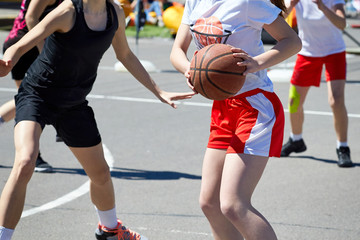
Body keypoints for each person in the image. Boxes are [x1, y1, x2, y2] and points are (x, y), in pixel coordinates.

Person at [0, 0, 194, 239]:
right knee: (25, 162)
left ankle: (110, 230)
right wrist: (8, 59)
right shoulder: (68, 12)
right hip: (38, 94)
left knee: (100, 174)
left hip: (73, 103)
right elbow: (22, 43)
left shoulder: (115, 14)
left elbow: (125, 55)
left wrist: (158, 90)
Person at [170, 0, 301, 239]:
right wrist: (191, 69)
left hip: (255, 106)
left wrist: (257, 62)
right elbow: (177, 50)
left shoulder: (248, 3)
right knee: (209, 203)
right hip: (223, 106)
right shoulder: (194, 2)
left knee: (233, 205)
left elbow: (293, 41)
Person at [280, 0, 353, 168]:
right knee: (294, 101)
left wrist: (321, 6)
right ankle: (296, 139)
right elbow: (277, 20)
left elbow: (342, 24)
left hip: (334, 51)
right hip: (307, 52)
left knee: (336, 100)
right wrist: (290, 5)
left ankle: (343, 147)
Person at [0, 0, 63, 173]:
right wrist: (44, 51)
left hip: (31, 46)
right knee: (32, 102)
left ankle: (35, 152)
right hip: (25, 47)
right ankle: (33, 156)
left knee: (27, 99)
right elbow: (31, 17)